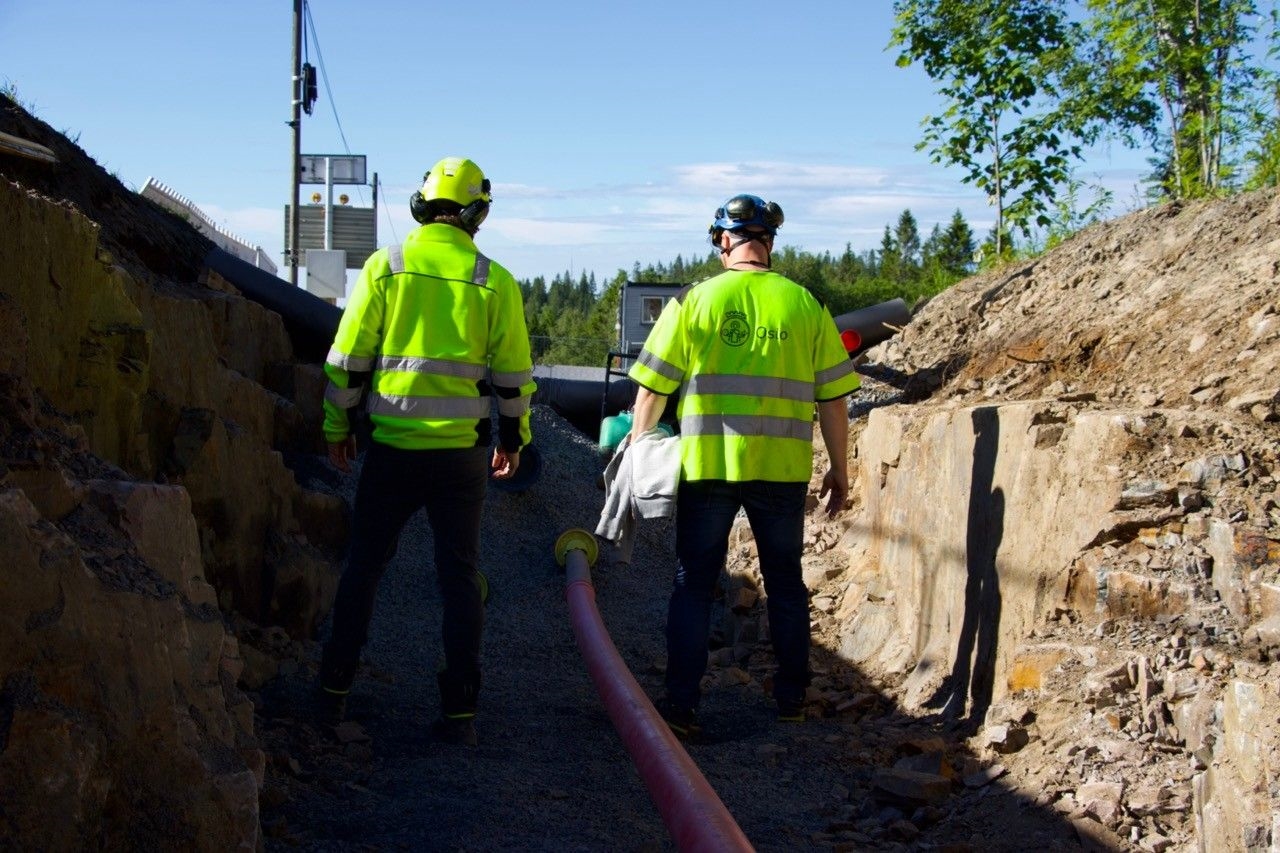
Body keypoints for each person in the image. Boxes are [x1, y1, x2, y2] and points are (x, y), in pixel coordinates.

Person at [317, 156, 535, 746]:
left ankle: (333, 692)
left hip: (389, 452)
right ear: (475, 213)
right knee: (459, 577)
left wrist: (338, 427)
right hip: (460, 459)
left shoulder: (385, 267)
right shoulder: (495, 280)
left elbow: (348, 360)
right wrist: (513, 440)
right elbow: (513, 380)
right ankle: (460, 710)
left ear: (422, 205)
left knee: (364, 567)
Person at [627, 193, 860, 739]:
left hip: (708, 466)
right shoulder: (806, 304)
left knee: (693, 585)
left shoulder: (695, 301)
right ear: (770, 243)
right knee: (785, 584)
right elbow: (833, 400)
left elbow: (652, 388)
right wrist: (839, 468)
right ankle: (792, 700)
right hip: (781, 469)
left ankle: (681, 707)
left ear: (723, 241)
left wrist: (639, 448)